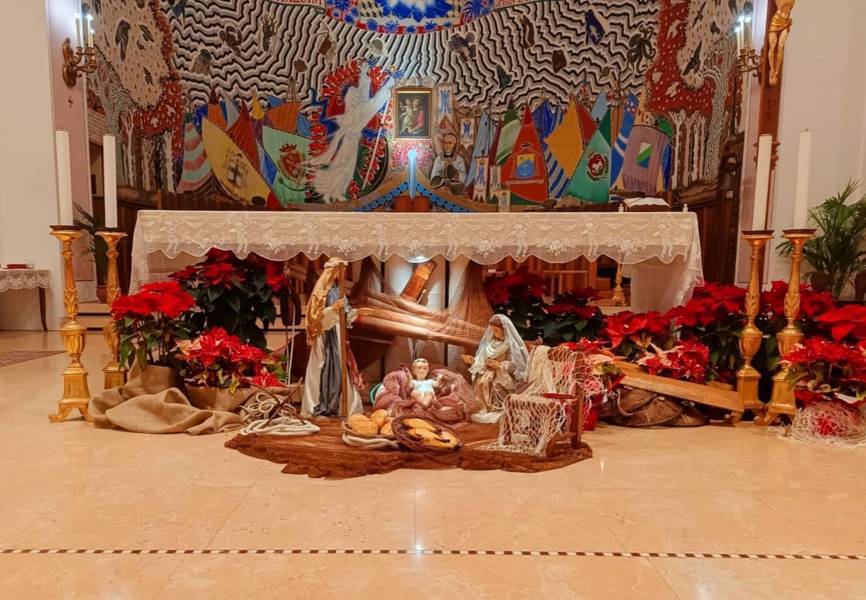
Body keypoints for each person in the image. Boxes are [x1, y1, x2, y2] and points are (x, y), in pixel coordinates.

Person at [302, 258, 364, 417]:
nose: (342, 275)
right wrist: (332, 309)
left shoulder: (338, 290)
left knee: (342, 365)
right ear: (333, 271)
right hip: (324, 334)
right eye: (340, 271)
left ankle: (343, 406)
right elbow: (314, 317)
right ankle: (317, 403)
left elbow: (346, 315)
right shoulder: (320, 292)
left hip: (338, 332)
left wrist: (354, 314)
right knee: (321, 365)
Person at [461, 314, 529, 423]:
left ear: (504, 330)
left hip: (502, 375)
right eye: (492, 330)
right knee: (481, 380)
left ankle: (497, 408)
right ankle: (483, 409)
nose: (493, 333)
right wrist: (473, 361)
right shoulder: (490, 343)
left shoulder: (511, 345)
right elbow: (482, 361)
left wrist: (500, 366)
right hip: (487, 372)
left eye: (496, 330)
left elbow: (516, 365)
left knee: (493, 384)